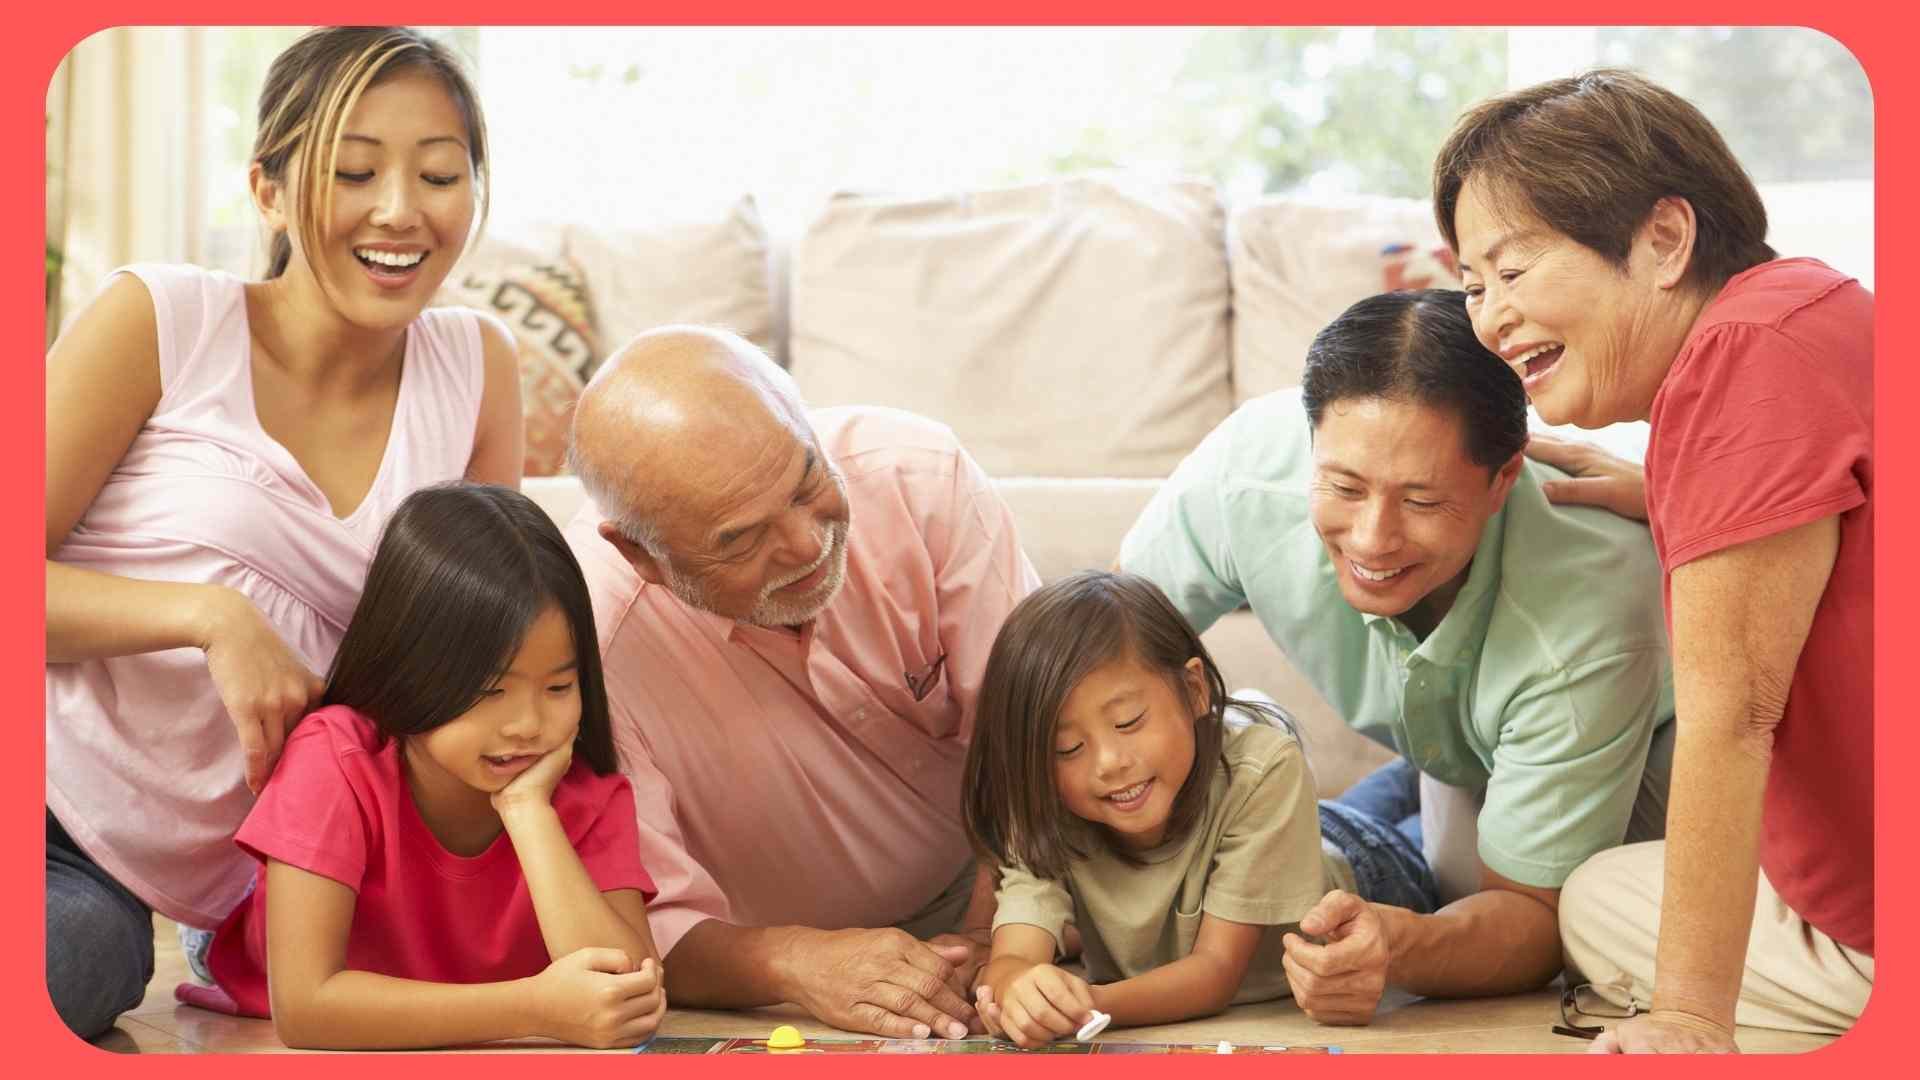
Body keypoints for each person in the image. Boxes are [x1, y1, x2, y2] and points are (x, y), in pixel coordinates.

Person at [43, 26, 522, 1039]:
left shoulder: (479, 369)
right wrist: (210, 616)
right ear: (267, 190)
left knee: (62, 972)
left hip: (152, 887)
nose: (399, 211)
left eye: (440, 174)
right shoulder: (162, 320)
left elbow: (480, 668)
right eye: (353, 171)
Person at [1435, 69, 1873, 1050]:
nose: (1490, 317)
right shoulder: (1808, 312)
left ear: (1664, 240)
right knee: (1606, 890)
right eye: (1472, 286)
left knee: (1592, 905)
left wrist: (1685, 1020)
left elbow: (1736, 714)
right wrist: (1673, 493)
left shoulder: (1739, 362)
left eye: (1512, 269)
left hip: (1880, 931)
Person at [1117, 289, 1673, 1025]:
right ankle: (1402, 792)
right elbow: (1087, 663)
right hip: (1463, 746)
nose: (1374, 541)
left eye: (1421, 501)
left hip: (1632, 756)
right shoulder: (1248, 473)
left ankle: (1396, 809)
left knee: (1446, 890)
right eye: (1344, 487)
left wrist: (1399, 947)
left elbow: (1532, 922)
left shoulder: (1586, 618)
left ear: (1504, 478)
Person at [564, 326, 1041, 1040]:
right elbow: (634, 928)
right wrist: (787, 962)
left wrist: (997, 933)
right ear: (643, 555)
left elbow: (1040, 738)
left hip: (1013, 885)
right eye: (743, 539)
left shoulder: (919, 475)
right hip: (775, 973)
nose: (804, 544)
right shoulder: (586, 644)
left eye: (805, 483)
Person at [170, 484, 660, 1049]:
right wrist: (534, 1008)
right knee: (243, 932)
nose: (527, 724)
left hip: (441, 976)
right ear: (410, 670)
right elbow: (306, 1010)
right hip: (278, 968)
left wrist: (528, 812)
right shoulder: (333, 760)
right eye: (489, 691)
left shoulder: (586, 791)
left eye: (558, 686)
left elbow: (623, 997)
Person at [961, 571, 1437, 1047]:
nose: (1109, 763)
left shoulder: (1263, 770)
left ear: (1194, 691)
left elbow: (1214, 973)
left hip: (1364, 864)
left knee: (1431, 826)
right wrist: (1015, 989)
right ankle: (1411, 773)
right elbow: (1012, 958)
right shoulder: (1043, 806)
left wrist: (1084, 1005)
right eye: (1067, 748)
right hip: (1278, 831)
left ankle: (1427, 768)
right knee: (1360, 799)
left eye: (1129, 722)